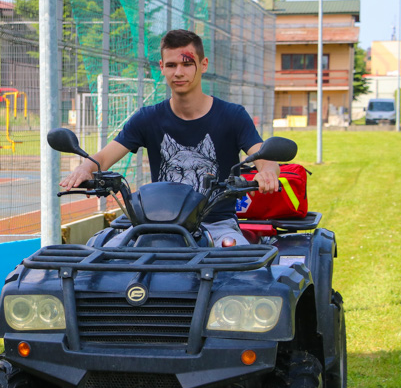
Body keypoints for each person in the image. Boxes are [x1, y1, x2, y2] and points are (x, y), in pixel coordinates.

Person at [60, 29, 280, 246]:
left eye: (187, 64)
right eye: (172, 65)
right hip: (157, 225)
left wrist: (268, 172)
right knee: (103, 257)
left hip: (217, 225)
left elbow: (264, 157)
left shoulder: (232, 116)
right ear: (162, 68)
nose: (178, 72)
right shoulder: (147, 118)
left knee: (240, 272)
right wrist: (85, 169)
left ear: (203, 65)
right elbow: (103, 158)